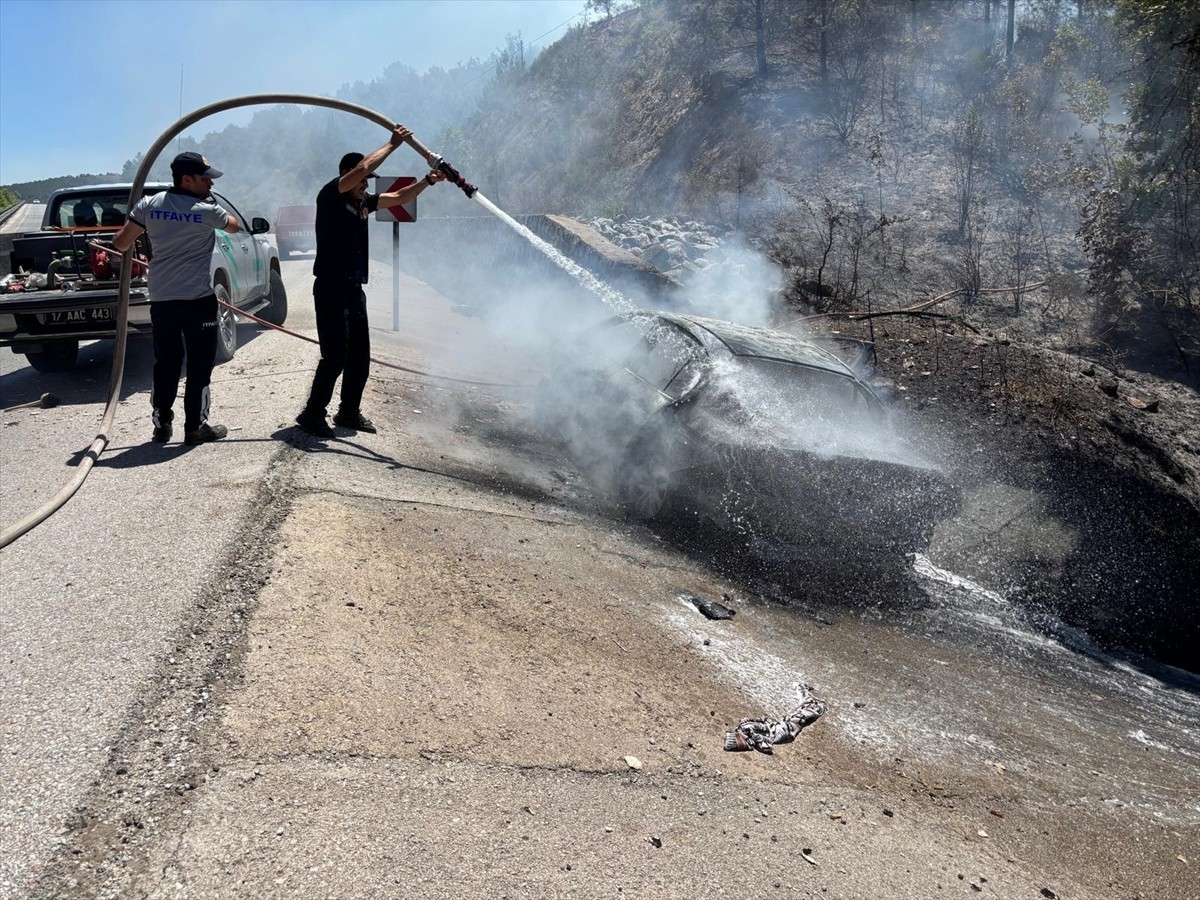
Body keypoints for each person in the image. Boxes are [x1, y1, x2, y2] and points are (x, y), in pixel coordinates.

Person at [294, 124, 445, 438]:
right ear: (347, 175)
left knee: (359, 357)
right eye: (362, 180)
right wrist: (392, 145)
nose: (366, 184)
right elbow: (364, 166)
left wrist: (428, 181)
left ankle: (348, 412)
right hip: (330, 288)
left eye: (367, 182)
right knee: (335, 355)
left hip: (353, 290)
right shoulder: (330, 196)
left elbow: (400, 196)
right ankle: (312, 414)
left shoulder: (363, 203)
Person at [113, 151, 240, 445]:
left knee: (166, 362)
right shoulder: (207, 209)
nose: (210, 184)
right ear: (187, 179)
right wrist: (215, 210)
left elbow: (121, 243)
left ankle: (162, 426)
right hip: (197, 300)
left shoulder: (149, 204)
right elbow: (234, 227)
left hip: (162, 300)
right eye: (205, 178)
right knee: (199, 365)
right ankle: (195, 427)